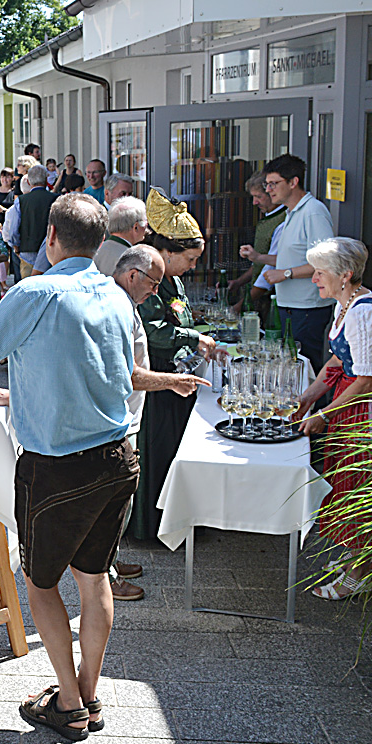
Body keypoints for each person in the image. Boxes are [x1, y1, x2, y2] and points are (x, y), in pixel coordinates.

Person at [0, 193, 138, 744]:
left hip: (60, 467)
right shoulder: (115, 292)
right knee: (94, 581)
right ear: (99, 243)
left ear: (50, 236)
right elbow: (91, 368)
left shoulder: (35, 291)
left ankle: (69, 704)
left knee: (40, 581)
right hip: (117, 456)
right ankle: (86, 693)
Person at [108, 245, 209, 600]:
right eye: (153, 283)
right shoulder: (117, 306)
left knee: (121, 501)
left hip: (127, 415)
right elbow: (126, 374)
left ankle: (111, 563)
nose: (157, 291)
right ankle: (105, 577)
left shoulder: (128, 302)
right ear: (133, 275)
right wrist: (171, 381)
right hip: (116, 418)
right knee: (113, 504)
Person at [130, 189, 218, 542]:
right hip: (156, 379)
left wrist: (203, 334)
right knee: (157, 452)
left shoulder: (174, 279)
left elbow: (183, 320)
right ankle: (151, 529)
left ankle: (179, 522)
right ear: (167, 252)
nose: (193, 267)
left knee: (173, 450)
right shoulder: (153, 281)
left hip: (177, 375)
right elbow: (151, 330)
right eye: (191, 259)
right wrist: (193, 339)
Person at [291, 238, 372, 599]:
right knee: (342, 478)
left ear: (346, 275)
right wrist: (308, 397)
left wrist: (324, 413)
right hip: (345, 404)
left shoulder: (361, 312)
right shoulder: (346, 305)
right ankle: (356, 557)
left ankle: (359, 572)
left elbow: (367, 377)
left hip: (361, 411)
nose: (314, 280)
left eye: (320, 273)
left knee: (355, 483)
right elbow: (339, 361)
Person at [241, 154, 335, 372]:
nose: (269, 190)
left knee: (304, 370)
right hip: (290, 306)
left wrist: (285, 274)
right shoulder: (292, 212)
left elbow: (327, 262)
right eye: (267, 184)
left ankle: (314, 407)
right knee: (289, 368)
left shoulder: (313, 212)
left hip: (307, 307)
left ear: (294, 182)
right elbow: (291, 258)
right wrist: (259, 258)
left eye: (274, 184)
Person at [230, 171, 286, 320]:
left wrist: (239, 306)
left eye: (259, 197)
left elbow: (270, 267)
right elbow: (259, 264)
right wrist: (239, 282)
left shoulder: (282, 223)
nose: (254, 202)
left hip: (271, 301)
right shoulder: (269, 219)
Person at [92, 196, 149, 276]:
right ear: (136, 227)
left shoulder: (95, 251)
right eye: (145, 222)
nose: (146, 227)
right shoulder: (132, 259)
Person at [14, 164, 55, 273]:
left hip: (27, 250)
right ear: (46, 179)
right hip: (51, 250)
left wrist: (16, 247)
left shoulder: (21, 200)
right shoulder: (56, 199)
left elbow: (13, 228)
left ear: (28, 182)